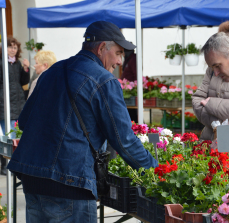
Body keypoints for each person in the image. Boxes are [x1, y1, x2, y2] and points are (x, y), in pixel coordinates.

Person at [7, 21, 158, 222]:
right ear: (102, 48)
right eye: (119, 53)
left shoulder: (51, 71)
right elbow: (125, 141)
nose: (120, 61)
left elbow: (24, 122)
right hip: (70, 183)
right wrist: (157, 172)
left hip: (33, 178)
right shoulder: (105, 80)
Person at [0, 36, 30, 175]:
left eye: (15, 47)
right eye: (10, 47)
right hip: (3, 101)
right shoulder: (2, 62)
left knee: (14, 135)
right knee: (7, 136)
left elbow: (23, 82)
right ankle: (5, 165)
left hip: (17, 102)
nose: (12, 50)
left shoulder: (17, 63)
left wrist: (25, 69)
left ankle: (11, 164)